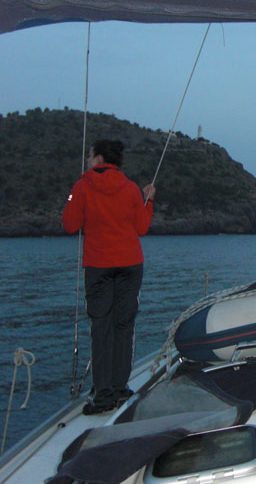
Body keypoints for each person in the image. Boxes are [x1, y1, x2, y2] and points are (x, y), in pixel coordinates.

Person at [62, 139, 155, 414]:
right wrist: (149, 201)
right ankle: (120, 388)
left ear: (100, 159)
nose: (88, 161)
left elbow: (69, 224)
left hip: (99, 266)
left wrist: (71, 198)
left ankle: (103, 394)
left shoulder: (81, 187)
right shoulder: (130, 189)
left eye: (90, 157)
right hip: (130, 264)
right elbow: (142, 227)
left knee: (101, 327)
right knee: (124, 326)